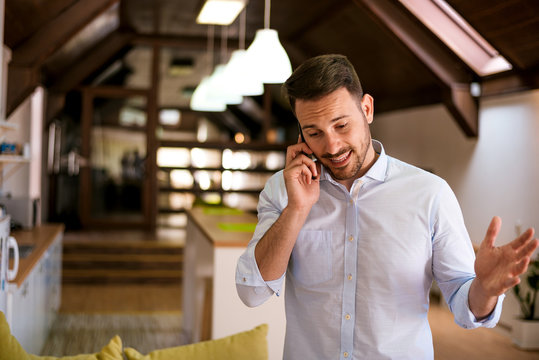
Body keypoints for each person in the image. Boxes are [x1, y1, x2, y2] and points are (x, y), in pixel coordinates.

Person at [235, 54, 538, 359]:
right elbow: (252, 292)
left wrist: (485, 289)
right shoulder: (283, 190)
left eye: (341, 125)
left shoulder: (430, 193)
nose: (331, 146)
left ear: (367, 109)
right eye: (314, 133)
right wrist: (297, 210)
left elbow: (464, 307)